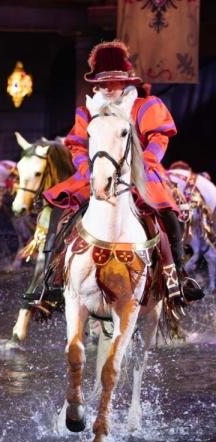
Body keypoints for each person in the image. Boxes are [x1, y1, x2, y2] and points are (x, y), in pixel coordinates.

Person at [28, 40, 203, 315]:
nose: (109, 88)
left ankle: (176, 277)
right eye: (103, 83)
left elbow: (158, 137)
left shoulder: (145, 106)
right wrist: (86, 168)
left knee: (163, 211)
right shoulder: (87, 111)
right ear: (96, 83)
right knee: (59, 212)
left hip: (140, 172)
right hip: (97, 173)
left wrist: (145, 163)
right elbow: (75, 144)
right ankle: (50, 282)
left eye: (114, 82)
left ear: (126, 81)